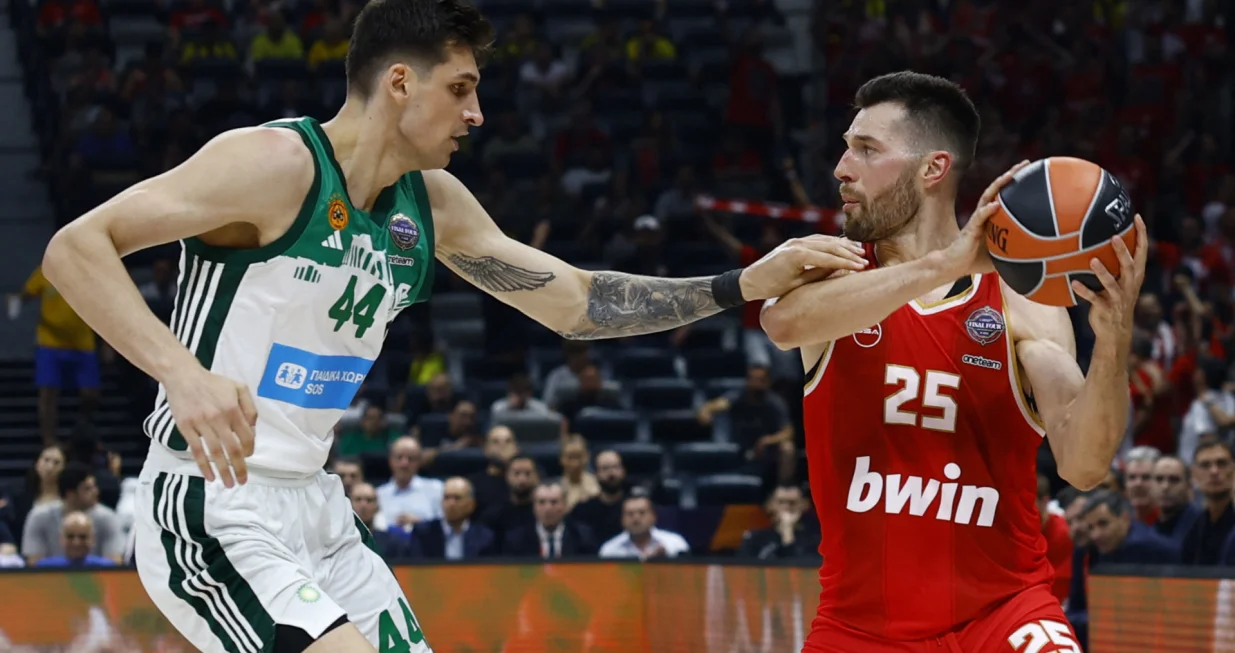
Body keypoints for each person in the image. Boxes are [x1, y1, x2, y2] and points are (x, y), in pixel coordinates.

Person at [38, 0, 866, 650]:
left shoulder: (432, 207)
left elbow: (576, 304)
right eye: (460, 88)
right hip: (212, 501)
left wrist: (740, 284)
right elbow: (76, 248)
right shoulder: (273, 164)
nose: (475, 115)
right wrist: (180, 373)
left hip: (317, 508)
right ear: (400, 81)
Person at [759, 71, 1147, 651]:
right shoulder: (829, 270)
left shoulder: (1020, 299)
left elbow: (1084, 464)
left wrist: (1114, 340)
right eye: (846, 147)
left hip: (1004, 614)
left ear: (933, 169)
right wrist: (948, 264)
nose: (841, 167)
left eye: (865, 149)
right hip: (861, 629)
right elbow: (783, 323)